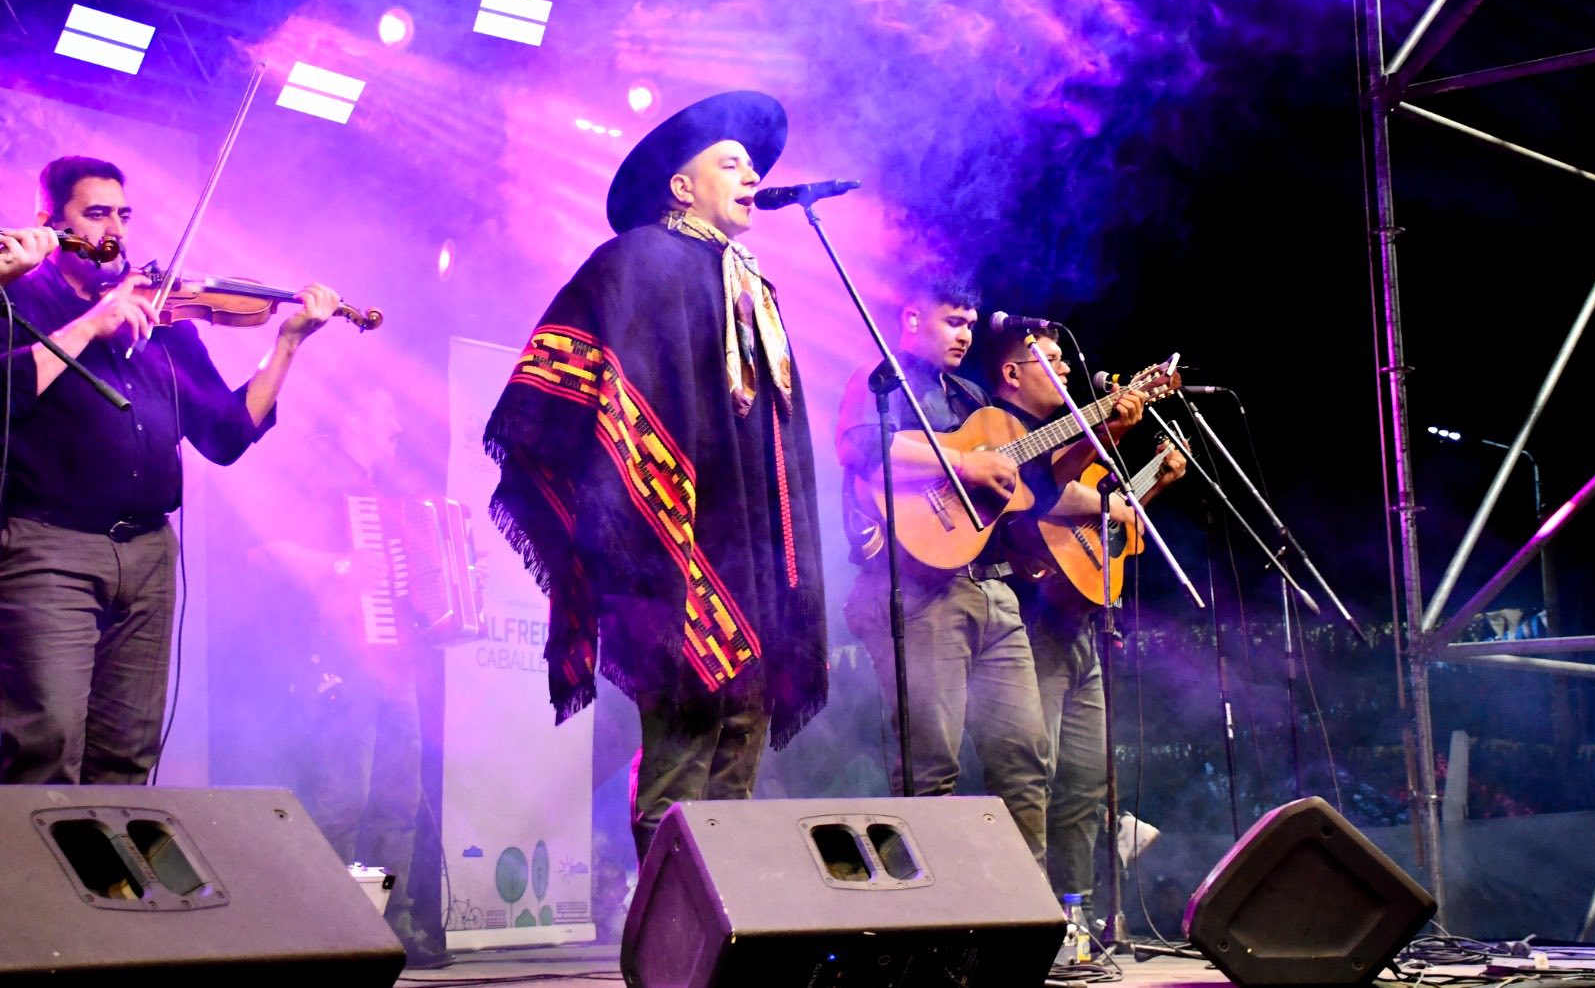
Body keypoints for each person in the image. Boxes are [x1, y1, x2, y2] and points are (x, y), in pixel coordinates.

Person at [483, 92, 828, 863]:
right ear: (682, 186)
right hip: (673, 557)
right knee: (680, 767)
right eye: (730, 164)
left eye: (752, 165)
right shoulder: (637, 261)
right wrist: (629, 509)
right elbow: (559, 387)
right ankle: (670, 928)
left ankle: (724, 921)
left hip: (750, 560)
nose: (751, 177)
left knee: (739, 756)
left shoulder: (753, 289)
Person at [0, 155, 339, 785]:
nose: (114, 230)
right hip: (50, 546)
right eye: (96, 213)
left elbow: (226, 434)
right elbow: (6, 394)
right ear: (50, 219)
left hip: (150, 552)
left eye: (123, 215)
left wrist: (288, 343)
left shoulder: (161, 317)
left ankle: (107, 857)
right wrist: (90, 325)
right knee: (46, 739)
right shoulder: (18, 295)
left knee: (127, 750)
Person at [835, 273, 1146, 868]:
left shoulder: (973, 399)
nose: (965, 335)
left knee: (1027, 759)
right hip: (918, 592)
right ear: (912, 319)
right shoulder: (883, 379)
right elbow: (859, 448)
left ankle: (1027, 906)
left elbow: (1037, 493)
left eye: (970, 325)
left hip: (992, 590)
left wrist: (1103, 432)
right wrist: (963, 465)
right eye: (953, 321)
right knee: (931, 768)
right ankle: (930, 908)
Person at [982, 322, 1184, 913]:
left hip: (1077, 623)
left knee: (1086, 778)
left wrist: (1148, 485)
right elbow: (1050, 497)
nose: (1067, 368)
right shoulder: (995, 429)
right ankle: (1022, 914)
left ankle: (1075, 915)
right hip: (1029, 623)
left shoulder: (1063, 438)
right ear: (1012, 373)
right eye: (1052, 359)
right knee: (1031, 773)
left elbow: (1104, 531)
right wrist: (1116, 497)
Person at [249, 387, 445, 967]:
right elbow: (264, 551)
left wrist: (444, 590)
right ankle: (323, 928)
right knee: (342, 799)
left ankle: (389, 923)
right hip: (338, 659)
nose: (398, 429)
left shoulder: (388, 498)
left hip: (396, 663)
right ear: (354, 416)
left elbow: (407, 587)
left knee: (399, 800)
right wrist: (340, 566)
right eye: (388, 413)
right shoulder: (315, 477)